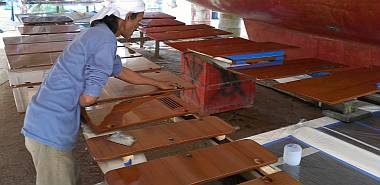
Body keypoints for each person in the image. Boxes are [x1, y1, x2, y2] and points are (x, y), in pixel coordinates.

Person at [21, 0, 172, 184]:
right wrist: (76, 92)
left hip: (43, 117)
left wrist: (156, 83)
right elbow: (88, 99)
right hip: (50, 129)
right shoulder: (105, 41)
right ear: (126, 17)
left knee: (70, 177)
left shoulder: (97, 33)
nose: (137, 26)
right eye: (137, 21)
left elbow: (120, 70)